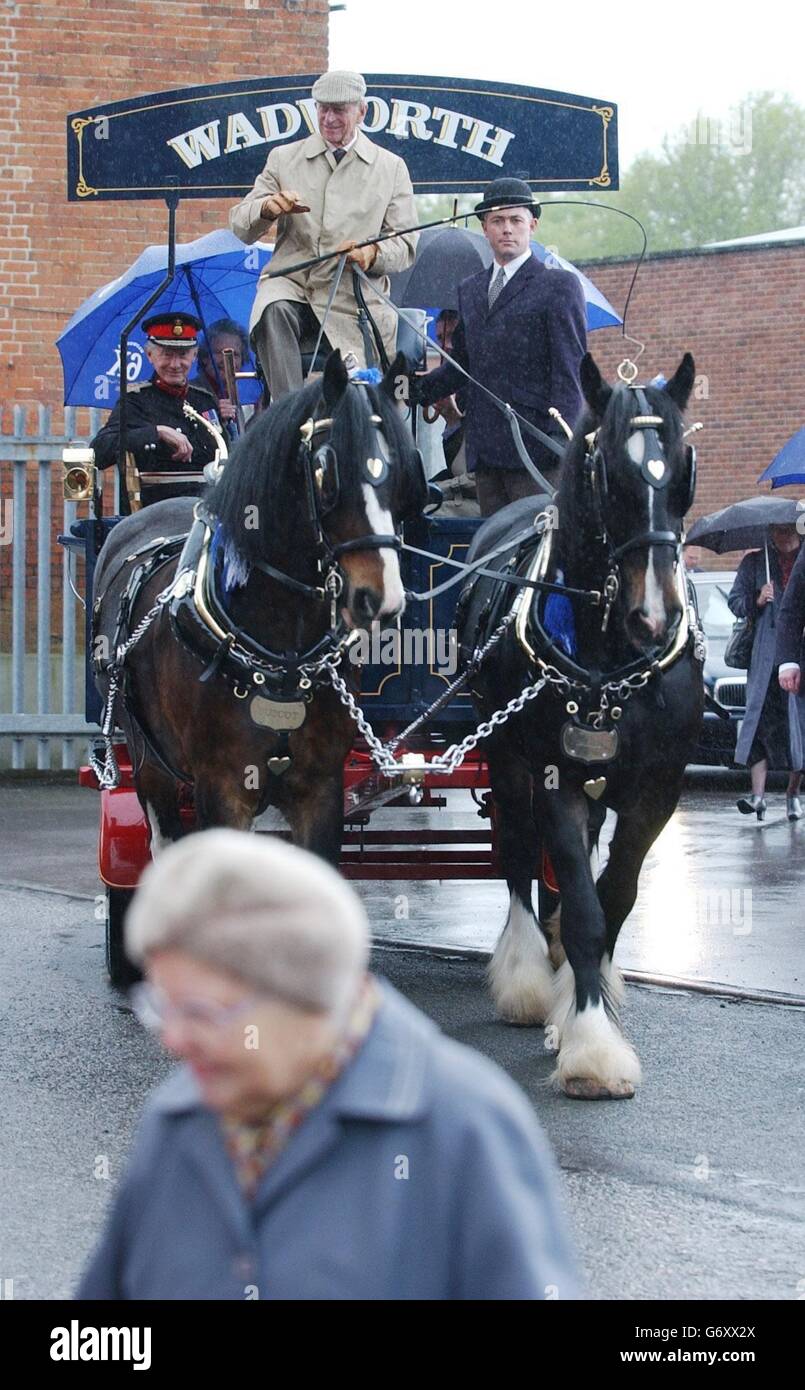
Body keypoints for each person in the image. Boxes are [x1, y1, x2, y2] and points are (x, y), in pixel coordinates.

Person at [75, 830, 581, 1302]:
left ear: (299, 993)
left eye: (199, 1013)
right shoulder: (177, 1121)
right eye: (161, 1006)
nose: (172, 1040)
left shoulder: (464, 1127)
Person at [229, 70, 418, 401]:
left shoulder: (391, 168)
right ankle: (288, 414)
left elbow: (405, 245)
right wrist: (268, 209)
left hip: (352, 296)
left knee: (362, 405)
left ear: (362, 112)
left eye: (339, 110)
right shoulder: (284, 158)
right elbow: (240, 226)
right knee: (273, 308)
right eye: (322, 109)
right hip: (294, 286)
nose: (329, 119)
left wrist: (370, 255)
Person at [414, 178, 587, 517]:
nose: (507, 229)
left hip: (537, 451)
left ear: (532, 226)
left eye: (515, 220)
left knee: (534, 553)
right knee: (494, 555)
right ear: (485, 228)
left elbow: (571, 369)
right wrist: (413, 387)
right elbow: (464, 366)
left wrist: (560, 442)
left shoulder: (558, 286)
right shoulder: (471, 290)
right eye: (497, 221)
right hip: (486, 452)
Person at [91, 312, 222, 506]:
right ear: (150, 355)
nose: (175, 364)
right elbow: (99, 452)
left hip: (207, 510)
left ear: (194, 355)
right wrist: (157, 432)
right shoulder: (135, 401)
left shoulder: (205, 400)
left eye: (183, 355)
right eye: (167, 354)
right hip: (156, 517)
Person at [728, 524, 805, 820]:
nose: (782, 537)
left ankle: (792, 794)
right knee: (758, 725)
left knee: (796, 727)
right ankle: (757, 796)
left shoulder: (802, 559)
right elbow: (735, 600)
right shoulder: (756, 563)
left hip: (798, 654)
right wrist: (757, 599)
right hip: (764, 657)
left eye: (787, 531)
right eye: (776, 531)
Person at [195, 317, 251, 426]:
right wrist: (218, 418)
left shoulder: (235, 396)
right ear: (205, 357)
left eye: (235, 354)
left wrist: (259, 415)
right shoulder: (192, 393)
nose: (227, 360)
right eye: (220, 352)